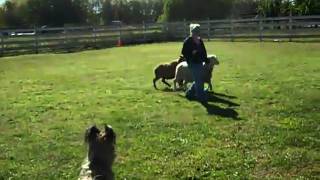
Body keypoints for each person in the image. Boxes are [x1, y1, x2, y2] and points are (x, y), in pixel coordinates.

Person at [181, 24, 209, 103]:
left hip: (200, 62)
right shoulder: (187, 41)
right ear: (191, 32)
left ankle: (189, 93)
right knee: (199, 80)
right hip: (192, 63)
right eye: (194, 32)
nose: (196, 33)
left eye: (197, 32)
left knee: (198, 79)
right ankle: (201, 97)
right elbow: (183, 52)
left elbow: (204, 51)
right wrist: (191, 53)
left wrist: (206, 60)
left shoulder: (200, 40)